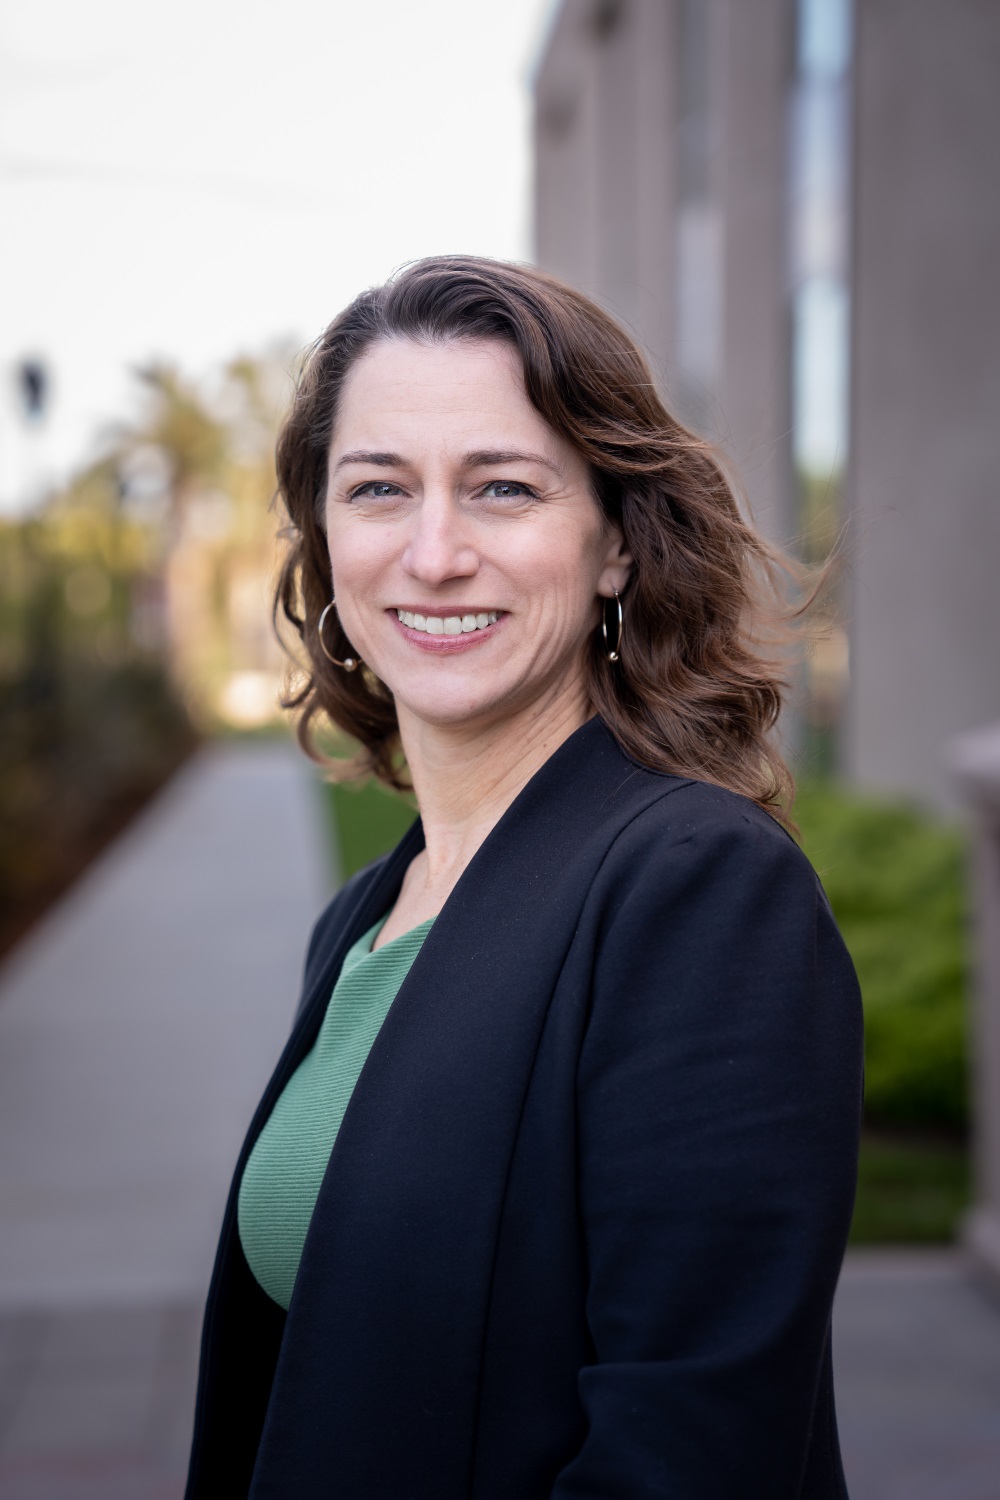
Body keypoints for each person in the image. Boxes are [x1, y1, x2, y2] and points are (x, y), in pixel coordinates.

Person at [185, 256, 863, 1499]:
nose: (433, 554)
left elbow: (691, 1456)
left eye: (502, 488)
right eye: (378, 489)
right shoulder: (364, 921)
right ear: (328, 540)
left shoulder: (697, 893)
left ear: (614, 545)